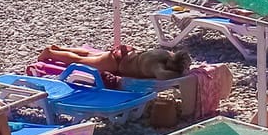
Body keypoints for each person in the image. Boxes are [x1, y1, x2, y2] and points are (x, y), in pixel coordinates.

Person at [34, 44, 188, 81]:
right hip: (116, 62)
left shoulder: (167, 53)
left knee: (89, 55)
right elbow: (163, 76)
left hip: (126, 53)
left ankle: (60, 48)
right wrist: (181, 73)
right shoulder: (157, 66)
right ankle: (51, 53)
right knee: (80, 61)